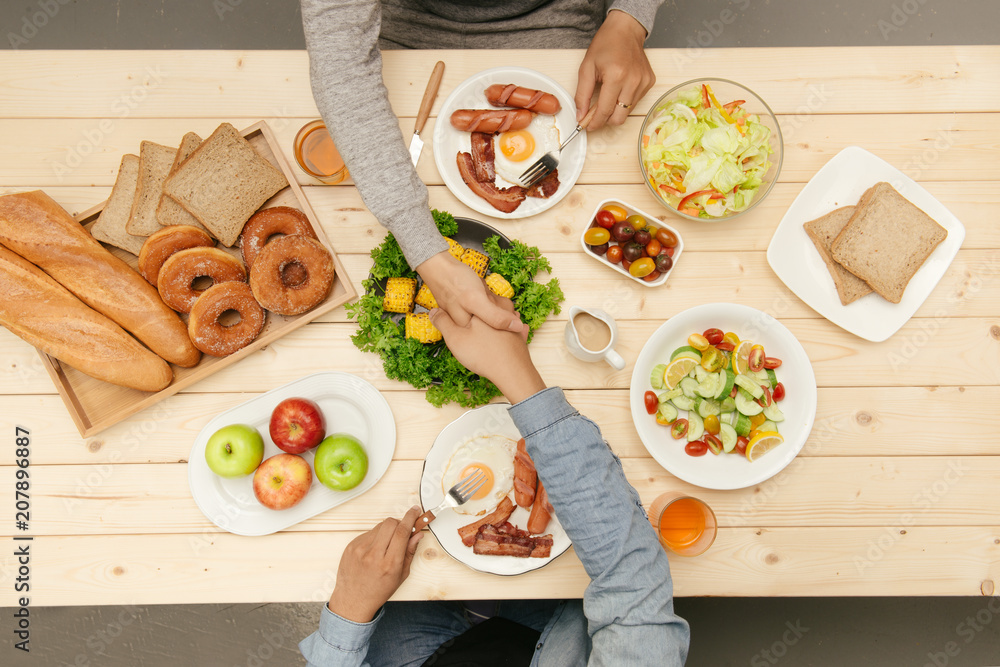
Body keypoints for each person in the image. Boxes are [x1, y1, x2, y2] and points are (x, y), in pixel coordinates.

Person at [299, 301, 690, 665]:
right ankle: (486, 609)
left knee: (395, 605)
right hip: (553, 643)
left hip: (430, 660)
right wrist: (515, 374)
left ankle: (478, 610)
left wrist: (349, 609)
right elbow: (633, 589)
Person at [300, 0, 660, 336]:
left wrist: (630, 19)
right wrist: (427, 253)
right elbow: (340, 60)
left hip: (558, 21)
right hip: (408, 30)